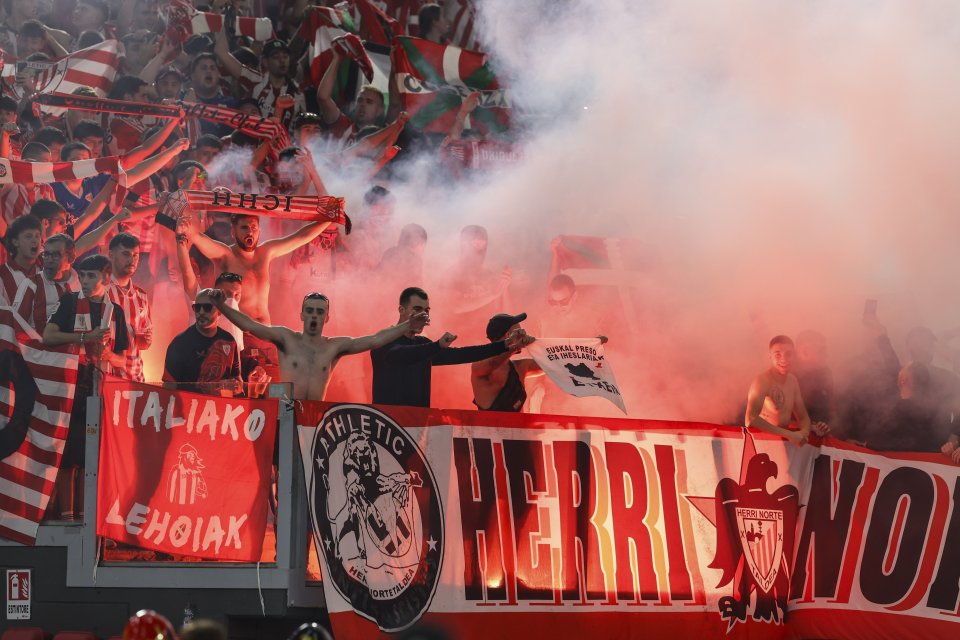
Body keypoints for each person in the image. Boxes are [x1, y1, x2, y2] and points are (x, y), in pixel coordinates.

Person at [205, 289, 429, 401]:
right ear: (302, 315)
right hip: (288, 412)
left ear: (326, 318)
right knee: (283, 472)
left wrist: (407, 324)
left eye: (319, 311)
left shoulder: (334, 347)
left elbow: (375, 340)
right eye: (310, 310)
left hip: (316, 418)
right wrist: (220, 305)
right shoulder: (286, 338)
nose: (314, 315)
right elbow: (249, 324)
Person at [43, 254, 130, 519]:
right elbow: (48, 336)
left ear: (105, 277)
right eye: (82, 276)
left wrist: (107, 356)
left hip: (101, 386)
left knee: (94, 454)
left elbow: (123, 359)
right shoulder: (70, 301)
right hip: (71, 384)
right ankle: (67, 515)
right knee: (69, 453)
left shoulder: (115, 311)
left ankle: (90, 516)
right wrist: (84, 337)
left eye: (91, 276)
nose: (85, 281)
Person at [371, 287, 525, 408]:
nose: (424, 315)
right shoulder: (384, 340)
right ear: (401, 310)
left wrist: (505, 345)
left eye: (427, 310)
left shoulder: (423, 344)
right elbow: (403, 355)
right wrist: (437, 346)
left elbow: (464, 354)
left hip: (418, 431)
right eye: (417, 309)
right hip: (386, 432)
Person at [162, 289, 241, 395]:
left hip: (220, 409)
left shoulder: (229, 341)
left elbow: (237, 382)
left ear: (219, 311)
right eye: (197, 307)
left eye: (207, 307)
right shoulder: (179, 343)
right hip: (188, 409)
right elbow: (168, 389)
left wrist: (236, 386)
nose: (201, 312)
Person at [744, 335, 816, 446]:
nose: (784, 359)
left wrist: (804, 433)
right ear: (770, 356)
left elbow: (802, 417)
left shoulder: (792, 380)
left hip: (782, 445)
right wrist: (790, 435)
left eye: (788, 354)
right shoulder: (762, 381)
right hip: (761, 444)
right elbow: (750, 419)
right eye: (778, 355)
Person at [104, 233, 153, 382]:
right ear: (111, 255)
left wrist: (146, 341)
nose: (132, 260)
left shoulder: (142, 296)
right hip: (107, 378)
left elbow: (144, 344)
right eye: (126, 254)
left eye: (135, 255)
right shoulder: (101, 291)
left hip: (135, 379)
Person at [471, 312, 540, 412]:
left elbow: (551, 364)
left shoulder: (520, 367)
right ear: (509, 335)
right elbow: (493, 363)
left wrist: (537, 344)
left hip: (520, 426)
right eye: (519, 332)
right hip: (492, 427)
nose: (523, 335)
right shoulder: (479, 366)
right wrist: (515, 346)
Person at [13, 232, 78, 333]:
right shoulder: (31, 285)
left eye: (56, 255)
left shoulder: (83, 286)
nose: (49, 260)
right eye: (46, 254)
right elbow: (15, 327)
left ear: (71, 258)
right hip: (39, 348)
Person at [0, 214, 42, 306]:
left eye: (37, 236)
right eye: (28, 236)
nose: (35, 241)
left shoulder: (48, 269)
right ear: (15, 242)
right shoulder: (2, 275)